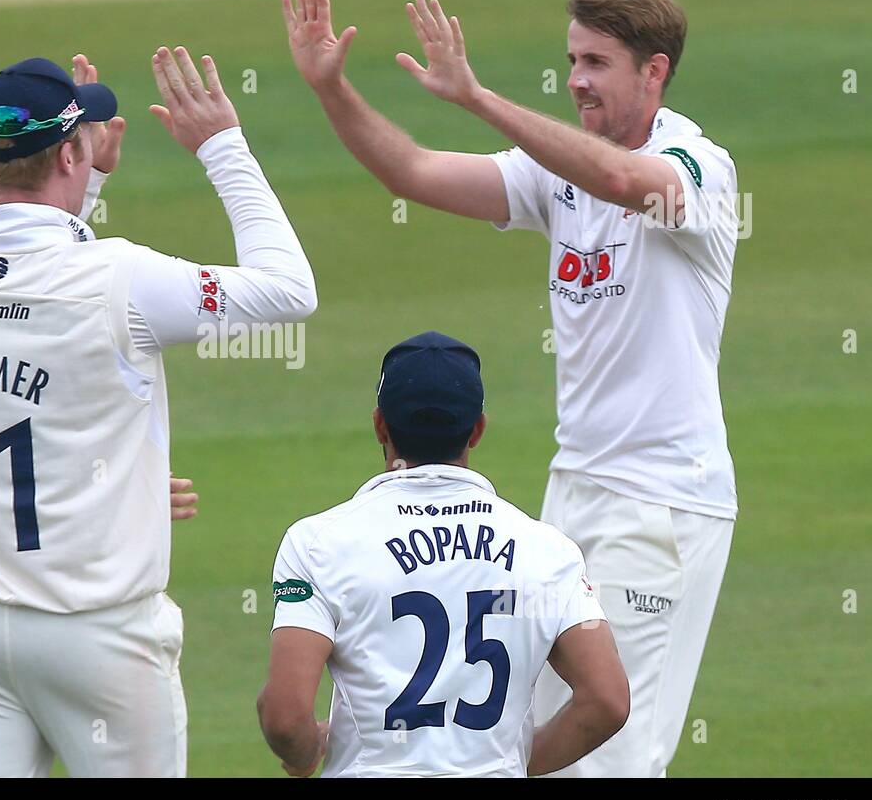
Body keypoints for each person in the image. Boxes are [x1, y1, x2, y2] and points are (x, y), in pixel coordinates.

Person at [284, 0, 738, 777]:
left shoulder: (699, 171)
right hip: (575, 491)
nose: (576, 80)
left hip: (663, 500)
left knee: (611, 759)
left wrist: (479, 98)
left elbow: (626, 183)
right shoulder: (557, 171)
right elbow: (413, 173)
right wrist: (331, 89)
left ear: (655, 71)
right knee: (515, 740)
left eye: (597, 62)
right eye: (572, 59)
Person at [0, 47, 317, 777]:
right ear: (67, 151)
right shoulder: (122, 278)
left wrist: (82, 180)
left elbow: (30, 284)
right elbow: (288, 290)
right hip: (97, 638)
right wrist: (222, 146)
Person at [258, 332, 629, 777]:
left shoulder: (317, 544)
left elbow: (284, 716)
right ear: (476, 430)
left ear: (380, 425)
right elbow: (607, 699)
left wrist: (304, 755)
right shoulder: (548, 550)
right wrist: (515, 765)